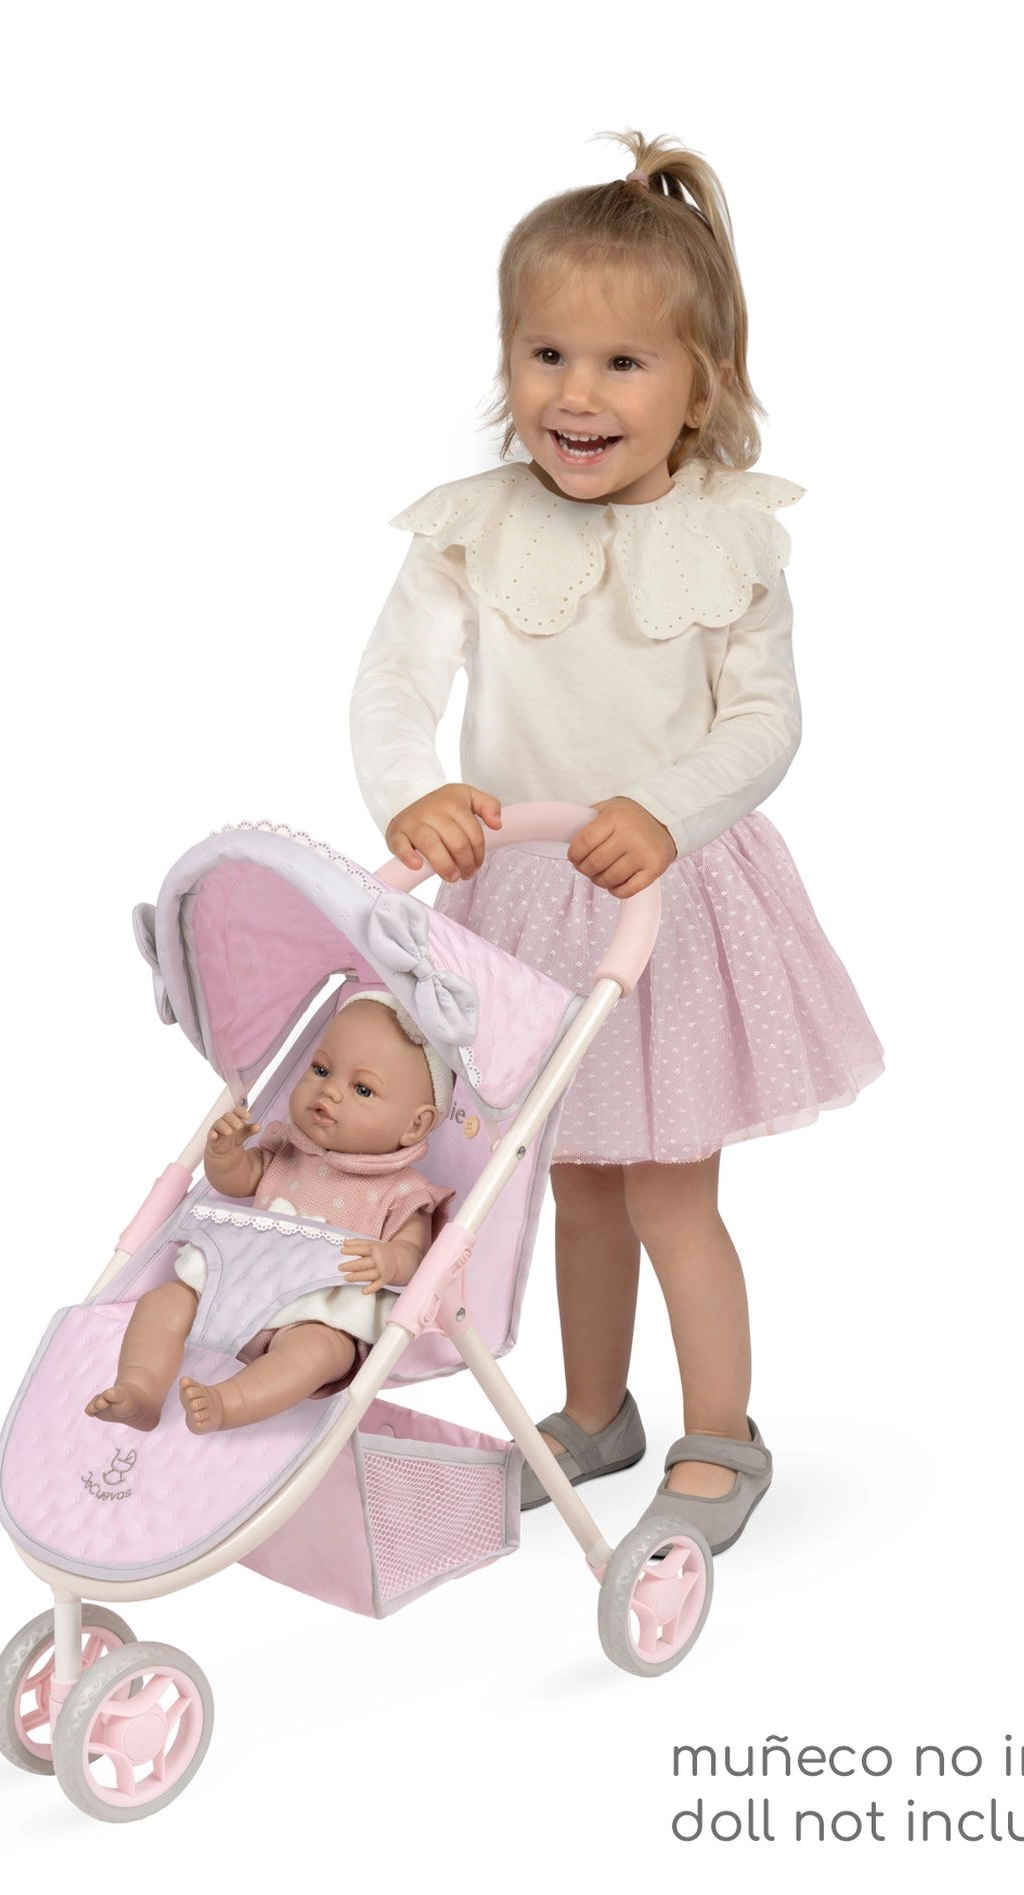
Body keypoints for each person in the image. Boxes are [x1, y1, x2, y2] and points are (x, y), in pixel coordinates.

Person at [349, 129, 884, 1552]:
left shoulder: (731, 541)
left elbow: (764, 722)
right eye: (546, 355)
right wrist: (412, 790)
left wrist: (667, 810)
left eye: (622, 363)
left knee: (669, 1192)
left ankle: (723, 1434)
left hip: (667, 900)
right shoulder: (469, 530)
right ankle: (596, 1413)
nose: (575, 395)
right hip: (520, 898)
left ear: (702, 386)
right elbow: (394, 683)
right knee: (571, 1184)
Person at [84, 994, 453, 1434]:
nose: (329, 1090)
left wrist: (390, 1260)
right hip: (234, 1283)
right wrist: (224, 1155)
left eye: (362, 1089)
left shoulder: (403, 1191)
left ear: (415, 1125)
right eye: (321, 1070)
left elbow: (414, 1256)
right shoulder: (287, 1149)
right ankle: (139, 1388)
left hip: (317, 1312)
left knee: (320, 1352)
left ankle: (229, 1402)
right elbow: (238, 1180)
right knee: (163, 1302)